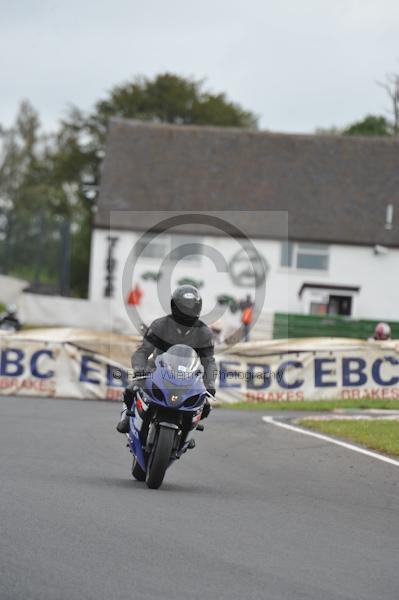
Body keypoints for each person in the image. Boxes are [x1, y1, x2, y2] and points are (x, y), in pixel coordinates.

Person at [117, 285, 216, 433]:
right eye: (183, 307)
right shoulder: (160, 325)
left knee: (206, 404)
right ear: (174, 306)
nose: (187, 311)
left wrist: (210, 383)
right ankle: (127, 418)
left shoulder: (204, 333)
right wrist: (139, 369)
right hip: (157, 368)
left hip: (188, 375)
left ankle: (186, 432)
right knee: (132, 388)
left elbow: (209, 361)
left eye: (190, 307)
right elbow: (142, 352)